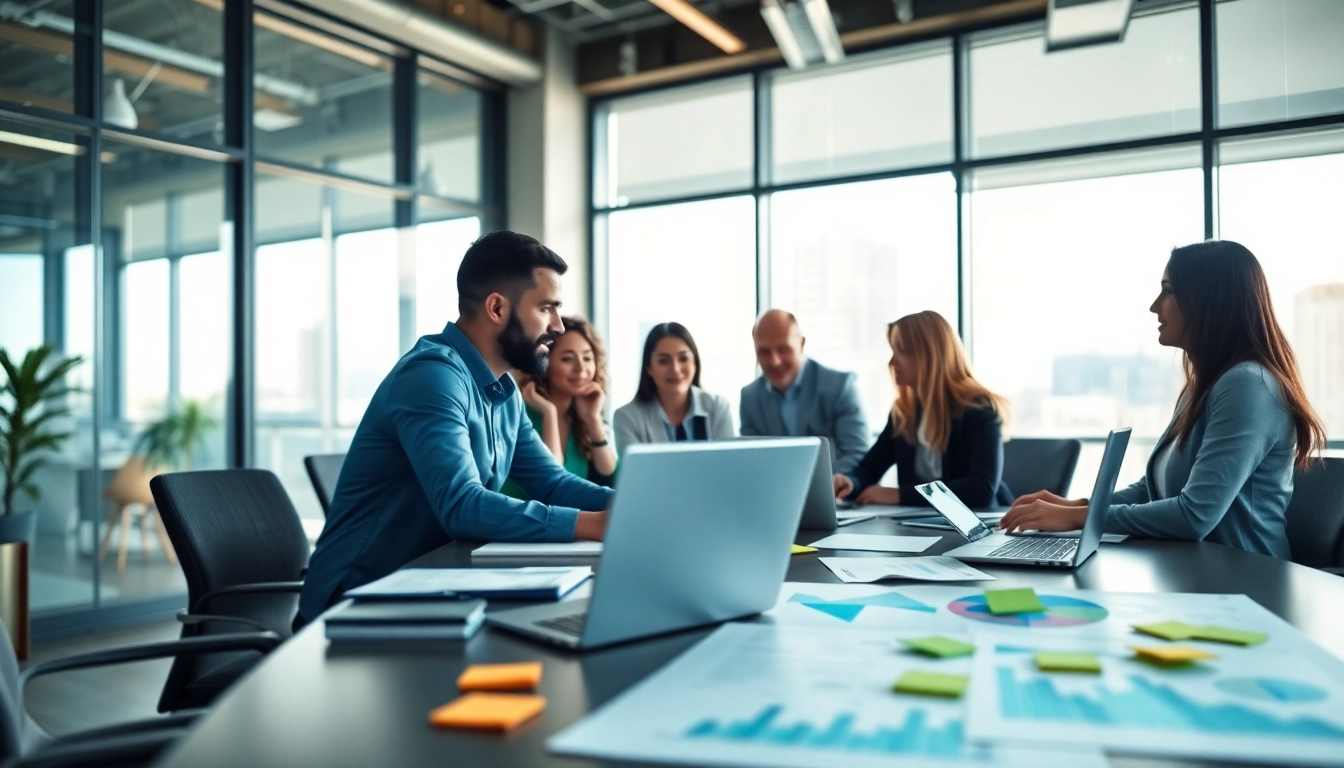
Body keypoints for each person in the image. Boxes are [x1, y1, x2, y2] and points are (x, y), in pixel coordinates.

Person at [299, 232, 614, 625]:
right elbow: (461, 504)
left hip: (432, 587)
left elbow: (552, 483)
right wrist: (594, 524)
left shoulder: (503, 392)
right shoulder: (432, 376)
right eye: (547, 308)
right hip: (354, 605)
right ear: (497, 307)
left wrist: (629, 504)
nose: (557, 325)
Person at [1000, 241, 1325, 559]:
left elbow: (1194, 517)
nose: (1155, 306)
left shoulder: (1248, 385)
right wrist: (1080, 505)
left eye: (1168, 291)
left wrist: (1080, 518)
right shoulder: (1204, 387)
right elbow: (1152, 491)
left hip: (1250, 582)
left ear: (1207, 300)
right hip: (1196, 570)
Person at [833, 310, 1012, 509]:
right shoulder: (904, 413)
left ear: (930, 355)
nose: (892, 362)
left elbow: (981, 491)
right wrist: (850, 482)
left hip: (981, 524)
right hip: (920, 524)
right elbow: (869, 468)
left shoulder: (979, 409)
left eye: (901, 351)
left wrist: (900, 495)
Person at [739, 309, 869, 475]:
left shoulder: (840, 387)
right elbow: (751, 461)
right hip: (776, 497)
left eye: (783, 349)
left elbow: (858, 455)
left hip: (835, 495)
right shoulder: (750, 397)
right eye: (764, 352)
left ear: (801, 344)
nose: (775, 361)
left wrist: (812, 485)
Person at [506, 316, 618, 494]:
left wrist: (592, 419)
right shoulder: (520, 414)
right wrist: (549, 413)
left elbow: (609, 475)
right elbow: (551, 481)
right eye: (567, 359)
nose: (581, 368)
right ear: (544, 362)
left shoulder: (580, 417)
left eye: (588, 358)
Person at [613, 322, 734, 453]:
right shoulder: (627, 418)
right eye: (663, 361)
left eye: (683, 358)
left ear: (695, 363)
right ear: (649, 368)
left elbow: (728, 466)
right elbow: (637, 472)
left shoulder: (717, 407)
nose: (675, 369)